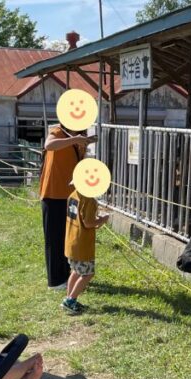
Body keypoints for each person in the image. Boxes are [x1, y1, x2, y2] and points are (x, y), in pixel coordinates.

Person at [39, 124, 95, 290]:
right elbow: (49, 145)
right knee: (54, 239)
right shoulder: (57, 132)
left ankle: (68, 274)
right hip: (53, 193)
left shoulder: (79, 135)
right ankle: (55, 281)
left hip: (71, 194)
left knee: (68, 238)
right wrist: (75, 139)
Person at [61, 183, 109, 315]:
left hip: (71, 241)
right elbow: (88, 223)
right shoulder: (89, 200)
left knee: (75, 271)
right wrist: (103, 219)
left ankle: (68, 298)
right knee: (88, 274)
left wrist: (96, 221)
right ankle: (71, 300)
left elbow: (82, 220)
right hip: (82, 244)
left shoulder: (73, 195)